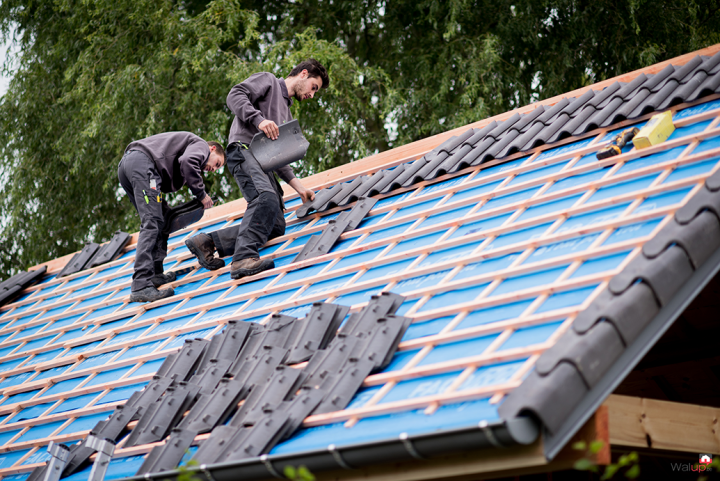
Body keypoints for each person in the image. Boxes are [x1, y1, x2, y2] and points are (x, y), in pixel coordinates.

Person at [185, 59, 328, 280]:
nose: (312, 94)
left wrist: (300, 189)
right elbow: (234, 95)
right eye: (314, 87)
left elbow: (280, 159)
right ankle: (242, 258)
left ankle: (207, 242)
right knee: (265, 198)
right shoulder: (269, 81)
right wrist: (259, 120)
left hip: (264, 164)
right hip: (244, 151)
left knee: (275, 224)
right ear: (303, 74)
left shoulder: (286, 116)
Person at [118, 132, 225, 302]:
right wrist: (201, 194)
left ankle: (154, 274)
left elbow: (181, 166)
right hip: (142, 164)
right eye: (217, 163)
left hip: (132, 166)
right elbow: (188, 161)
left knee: (162, 219)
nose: (214, 169)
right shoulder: (201, 146)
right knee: (152, 221)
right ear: (212, 149)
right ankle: (140, 285)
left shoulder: (189, 149)